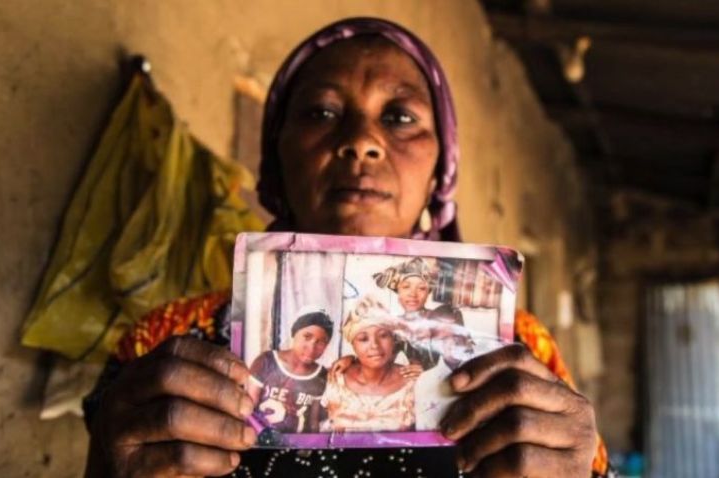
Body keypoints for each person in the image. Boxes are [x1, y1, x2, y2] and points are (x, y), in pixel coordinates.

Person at [83, 17, 613, 478]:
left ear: (440, 170)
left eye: (400, 116)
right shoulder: (162, 342)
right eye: (320, 112)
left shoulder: (517, 348)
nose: (361, 141)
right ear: (277, 157)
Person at [321, 297, 415, 432]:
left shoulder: (413, 383)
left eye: (383, 335)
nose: (375, 345)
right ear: (353, 344)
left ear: (393, 339)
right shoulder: (337, 380)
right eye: (363, 339)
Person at [247, 306, 333, 434]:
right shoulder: (266, 361)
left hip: (299, 442)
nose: (312, 347)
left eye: (321, 342)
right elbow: (248, 409)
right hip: (263, 439)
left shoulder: (322, 375)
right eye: (307, 337)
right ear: (294, 333)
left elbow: (313, 423)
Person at [414, 305, 476, 430]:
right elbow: (422, 427)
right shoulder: (424, 381)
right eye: (443, 338)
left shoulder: (481, 370)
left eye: (456, 335)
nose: (451, 343)